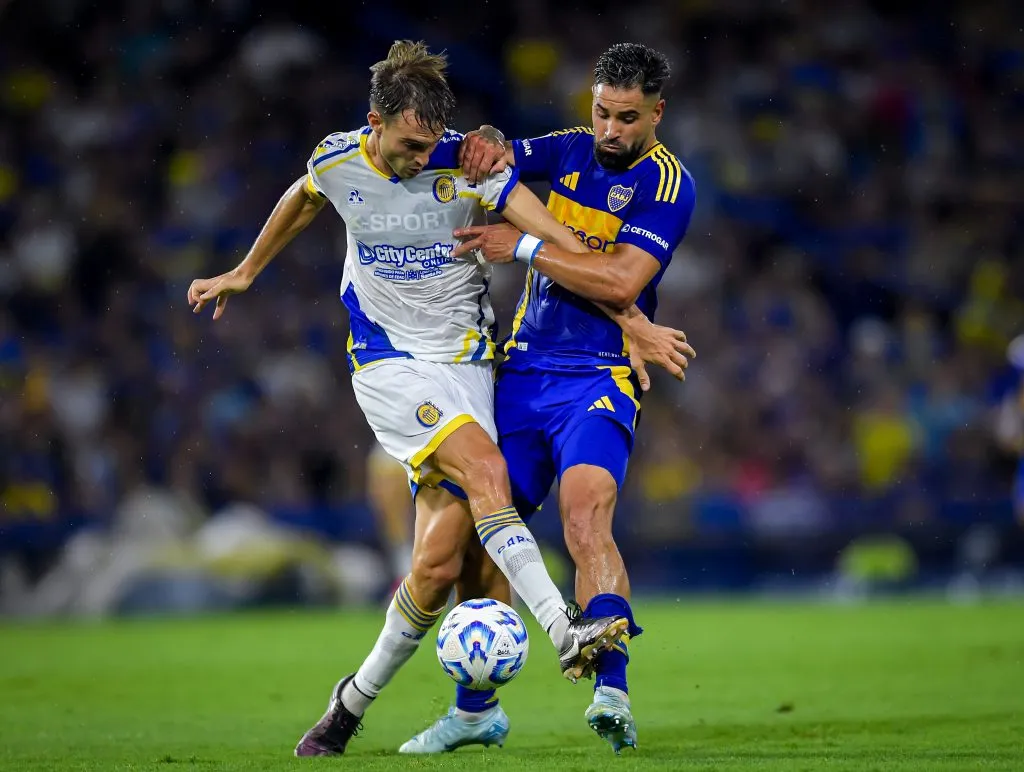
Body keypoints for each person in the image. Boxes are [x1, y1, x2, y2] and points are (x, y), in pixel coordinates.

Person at [186, 40, 693, 757]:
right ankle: (564, 630)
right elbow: (304, 194)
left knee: (439, 561)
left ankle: (358, 704)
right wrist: (245, 270)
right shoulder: (340, 158)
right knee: (489, 481)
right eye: (409, 146)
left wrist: (630, 316)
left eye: (433, 147)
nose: (423, 160)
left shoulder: (482, 164)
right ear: (376, 122)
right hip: (393, 362)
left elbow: (565, 246)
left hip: (482, 367)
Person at [401, 43, 695, 755]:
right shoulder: (567, 148)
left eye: (628, 117)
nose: (611, 131)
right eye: (602, 112)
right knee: (485, 536)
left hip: (601, 377)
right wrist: (487, 142)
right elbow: (489, 154)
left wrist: (523, 247)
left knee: (585, 518)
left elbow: (623, 282)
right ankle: (475, 712)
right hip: (525, 377)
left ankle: (612, 691)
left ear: (657, 113)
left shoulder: (667, 185)